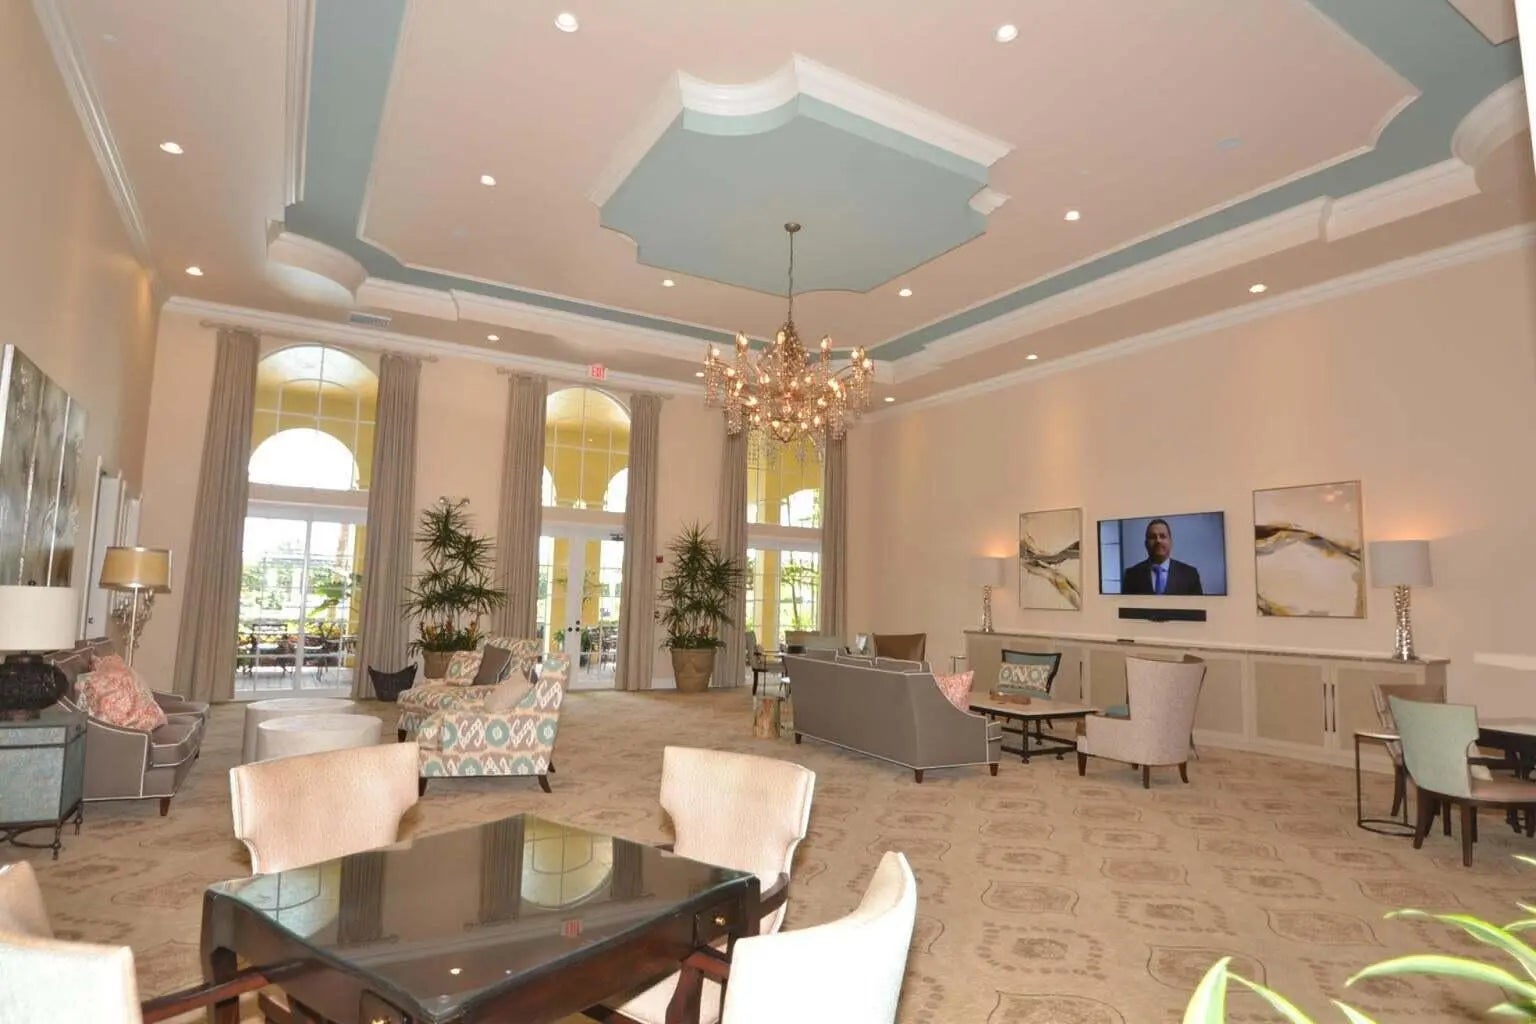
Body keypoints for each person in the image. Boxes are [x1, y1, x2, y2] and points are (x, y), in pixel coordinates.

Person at [1121, 518, 1203, 596]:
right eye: (1153, 537)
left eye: (1162, 536)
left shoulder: (1190, 574)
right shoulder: (1131, 575)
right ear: (1146, 544)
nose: (1158, 540)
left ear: (1170, 542)